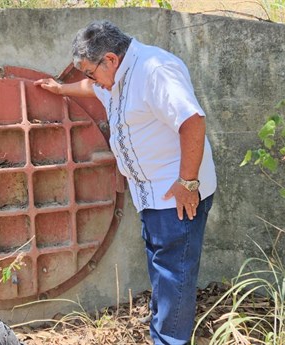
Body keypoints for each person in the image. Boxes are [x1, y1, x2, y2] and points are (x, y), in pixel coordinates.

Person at [34, 20, 217, 345]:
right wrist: (62, 90)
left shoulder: (154, 71)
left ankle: (170, 340)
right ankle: (164, 331)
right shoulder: (115, 79)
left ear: (111, 59)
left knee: (175, 275)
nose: (90, 80)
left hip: (175, 198)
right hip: (152, 198)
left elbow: (192, 120)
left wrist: (187, 182)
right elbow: (94, 89)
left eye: (91, 71)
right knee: (164, 271)